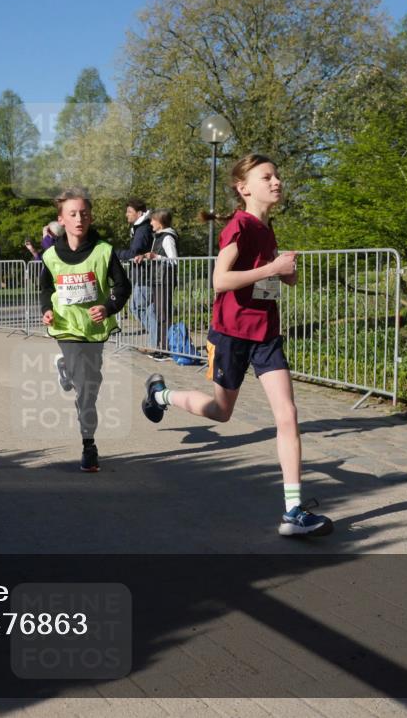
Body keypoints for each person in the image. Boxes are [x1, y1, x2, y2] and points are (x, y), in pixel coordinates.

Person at [140, 154, 332, 537]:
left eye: (278, 175)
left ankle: (293, 512)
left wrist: (284, 277)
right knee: (221, 412)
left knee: (288, 414)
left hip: (266, 334)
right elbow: (220, 280)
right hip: (231, 334)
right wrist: (271, 269)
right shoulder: (240, 226)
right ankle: (160, 395)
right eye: (267, 177)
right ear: (245, 188)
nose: (277, 181)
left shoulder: (267, 228)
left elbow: (262, 283)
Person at [40, 187, 131, 473]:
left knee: (92, 383)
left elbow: (122, 286)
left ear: (90, 218)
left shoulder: (104, 251)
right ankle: (89, 446)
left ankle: (66, 368)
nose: (79, 218)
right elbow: (45, 287)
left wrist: (107, 307)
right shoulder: (51, 255)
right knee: (84, 385)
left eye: (84, 214)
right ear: (61, 219)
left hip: (94, 328)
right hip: (66, 325)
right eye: (73, 214)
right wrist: (46, 309)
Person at [132, 209, 179, 361]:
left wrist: (156, 256)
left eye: (153, 220)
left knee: (163, 314)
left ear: (160, 222)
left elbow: (174, 260)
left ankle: (165, 349)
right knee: (158, 313)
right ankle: (161, 346)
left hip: (164, 280)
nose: (150, 223)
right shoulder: (158, 237)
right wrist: (147, 256)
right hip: (157, 279)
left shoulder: (167, 238)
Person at [115, 198, 155, 348]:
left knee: (136, 307)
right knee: (147, 309)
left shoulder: (143, 229)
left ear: (139, 213)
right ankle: (156, 340)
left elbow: (134, 252)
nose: (127, 214)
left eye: (129, 212)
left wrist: (115, 253)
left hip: (146, 275)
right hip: (144, 274)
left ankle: (157, 338)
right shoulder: (140, 228)